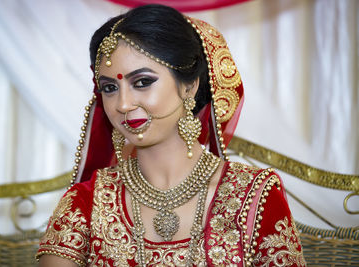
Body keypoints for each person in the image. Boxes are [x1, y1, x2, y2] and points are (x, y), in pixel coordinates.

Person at [36, 4, 306, 267]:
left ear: (189, 86)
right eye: (109, 88)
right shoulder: (85, 202)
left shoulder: (255, 196)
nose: (123, 104)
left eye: (142, 82)